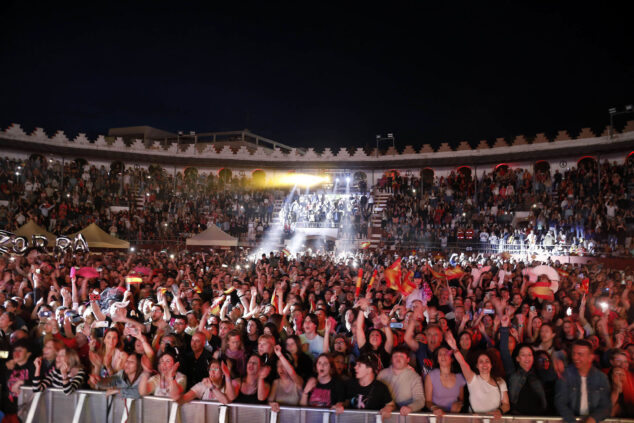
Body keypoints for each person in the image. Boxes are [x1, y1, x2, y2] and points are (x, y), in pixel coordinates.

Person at [446, 331, 509, 418]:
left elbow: (506, 404)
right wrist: (454, 347)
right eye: (481, 362)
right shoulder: (472, 379)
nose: (484, 364)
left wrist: (500, 411)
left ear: (491, 365)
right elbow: (462, 362)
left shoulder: (500, 381)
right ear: (477, 366)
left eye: (487, 361)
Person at [499, 314, 550, 415]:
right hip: (517, 417)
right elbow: (504, 352)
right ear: (517, 358)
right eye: (523, 355)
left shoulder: (538, 373)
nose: (527, 358)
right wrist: (504, 328)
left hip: (537, 417)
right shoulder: (512, 372)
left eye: (529, 355)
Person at [555, 340, 612, 423]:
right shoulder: (565, 375)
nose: (575, 357)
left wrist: (592, 419)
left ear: (590, 357)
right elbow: (560, 403)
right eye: (573, 353)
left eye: (580, 354)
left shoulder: (601, 378)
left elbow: (606, 406)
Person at [377, 345, 425, 417]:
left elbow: (420, 400)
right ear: (391, 359)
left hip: (407, 417)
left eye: (402, 356)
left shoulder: (414, 377)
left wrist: (410, 407)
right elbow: (375, 395)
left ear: (408, 360)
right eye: (395, 356)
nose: (398, 358)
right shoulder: (382, 374)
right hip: (386, 415)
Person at [424, 344, 466, 416]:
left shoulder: (459, 377)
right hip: (436, 417)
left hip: (453, 417)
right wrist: (435, 408)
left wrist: (458, 405)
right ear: (437, 359)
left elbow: (461, 400)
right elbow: (428, 401)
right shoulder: (431, 376)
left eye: (446, 353)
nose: (443, 356)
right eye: (440, 354)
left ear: (452, 358)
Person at [268, 345, 303, 411]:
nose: (281, 369)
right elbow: (269, 402)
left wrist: (280, 355)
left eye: (283, 365)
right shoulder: (276, 382)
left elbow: (292, 374)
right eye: (278, 366)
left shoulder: (298, 381)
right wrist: (272, 405)